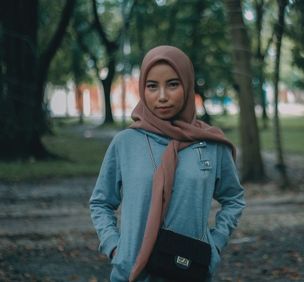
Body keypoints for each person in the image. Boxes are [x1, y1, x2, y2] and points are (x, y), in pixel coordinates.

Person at [89, 45, 245, 282]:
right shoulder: (125, 143)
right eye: (152, 86)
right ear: (143, 88)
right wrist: (114, 248)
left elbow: (233, 199)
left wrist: (215, 244)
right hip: (132, 274)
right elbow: (101, 202)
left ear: (188, 85)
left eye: (173, 84)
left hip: (189, 273)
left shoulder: (211, 145)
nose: (162, 96)